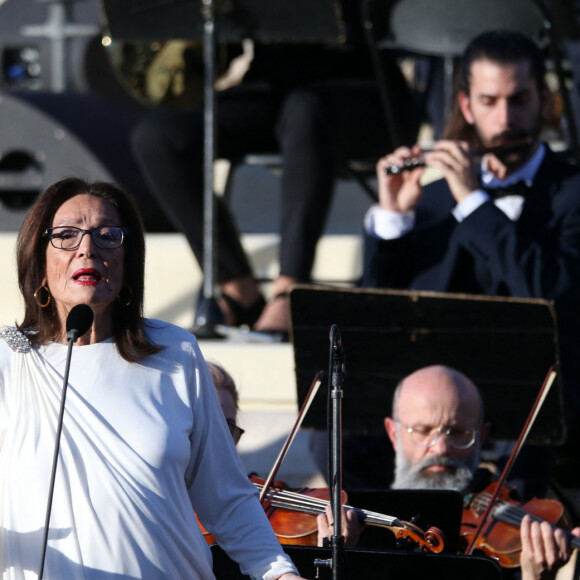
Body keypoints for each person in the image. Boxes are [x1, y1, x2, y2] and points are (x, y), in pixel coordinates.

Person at [0, 177, 306, 579]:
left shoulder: (174, 351)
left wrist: (280, 573)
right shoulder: (9, 361)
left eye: (108, 235)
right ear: (38, 261)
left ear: (129, 263)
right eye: (67, 235)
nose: (87, 249)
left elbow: (228, 498)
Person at [360, 29, 580, 499]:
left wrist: (475, 204)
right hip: (443, 398)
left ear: (545, 100)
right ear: (465, 107)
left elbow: (550, 292)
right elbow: (377, 314)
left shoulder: (572, 192)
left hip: (541, 399)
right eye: (489, 101)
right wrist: (394, 219)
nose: (506, 118)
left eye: (519, 100)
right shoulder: (435, 199)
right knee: (341, 435)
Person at [130, 0, 422, 337]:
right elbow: (230, 46)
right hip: (275, 91)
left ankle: (290, 288)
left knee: (306, 110)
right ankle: (236, 285)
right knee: (158, 137)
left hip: (370, 90)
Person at [381, 365, 580, 580]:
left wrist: (534, 577)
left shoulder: (497, 557)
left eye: (458, 432)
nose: (441, 448)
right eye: (422, 431)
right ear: (393, 434)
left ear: (482, 435)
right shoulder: (364, 523)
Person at [207, 360, 362, 548]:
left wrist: (327, 556)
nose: (223, 439)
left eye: (229, 427)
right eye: (212, 424)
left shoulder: (251, 506)